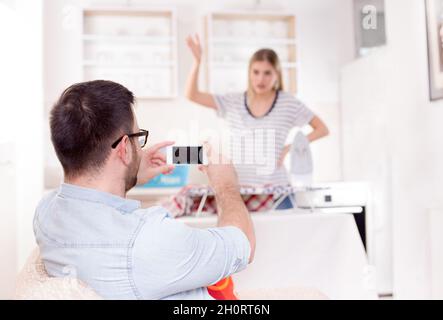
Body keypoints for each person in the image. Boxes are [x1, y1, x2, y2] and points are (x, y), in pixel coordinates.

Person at [33, 80, 255, 299]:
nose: (140, 147)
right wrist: (226, 183)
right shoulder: (150, 239)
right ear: (124, 149)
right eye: (137, 138)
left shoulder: (45, 213)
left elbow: (90, 196)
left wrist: (130, 170)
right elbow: (243, 245)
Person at [185, 34, 329, 209]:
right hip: (242, 192)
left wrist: (288, 148)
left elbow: (322, 129)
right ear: (249, 73)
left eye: (267, 73)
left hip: (278, 193)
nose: (261, 79)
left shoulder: (288, 103)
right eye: (256, 72)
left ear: (277, 74)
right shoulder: (233, 101)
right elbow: (192, 95)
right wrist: (197, 61)